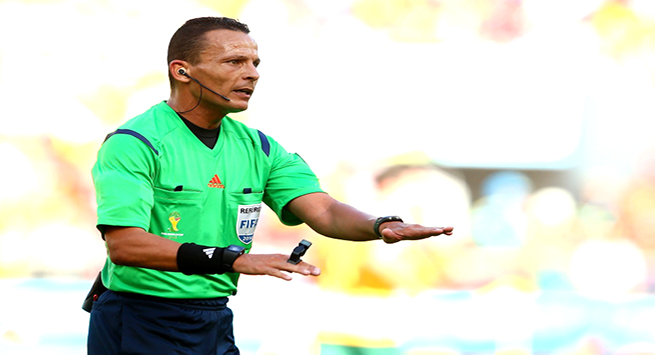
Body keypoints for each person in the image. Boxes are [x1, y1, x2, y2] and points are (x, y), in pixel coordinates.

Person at [86, 16, 454, 355]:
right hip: (138, 319)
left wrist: (380, 225)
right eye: (234, 62)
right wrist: (236, 259)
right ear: (182, 71)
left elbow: (323, 210)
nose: (252, 74)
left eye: (255, 64)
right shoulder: (135, 142)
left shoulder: (259, 147)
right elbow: (125, 245)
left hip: (214, 318)